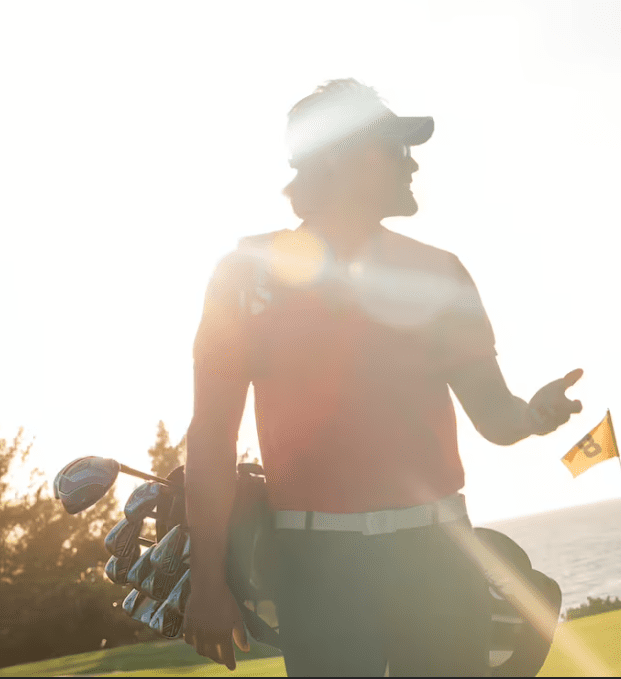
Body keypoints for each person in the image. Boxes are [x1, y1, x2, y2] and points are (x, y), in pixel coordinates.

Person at [183, 79, 583, 676]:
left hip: (441, 556)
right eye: (398, 147)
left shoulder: (440, 273)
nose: (413, 162)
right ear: (351, 159)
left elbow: (495, 418)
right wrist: (206, 580)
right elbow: (211, 434)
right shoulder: (246, 277)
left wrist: (533, 416)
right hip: (319, 568)